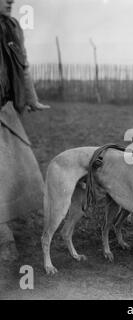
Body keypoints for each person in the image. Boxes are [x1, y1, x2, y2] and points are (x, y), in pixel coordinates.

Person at [0, 0, 50, 261]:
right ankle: (3, 238)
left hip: (5, 110)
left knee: (18, 171)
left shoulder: (11, 26)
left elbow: (23, 65)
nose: (11, 1)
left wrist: (29, 97)